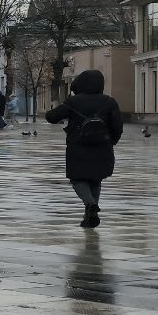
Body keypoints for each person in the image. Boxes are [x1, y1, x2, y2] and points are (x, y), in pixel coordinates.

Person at [45, 69, 123, 228]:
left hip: (78, 147)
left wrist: (61, 105)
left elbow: (52, 117)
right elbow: (118, 127)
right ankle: (90, 214)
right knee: (96, 179)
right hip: (103, 147)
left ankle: (89, 204)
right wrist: (111, 141)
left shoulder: (73, 102)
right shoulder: (109, 101)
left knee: (77, 179)